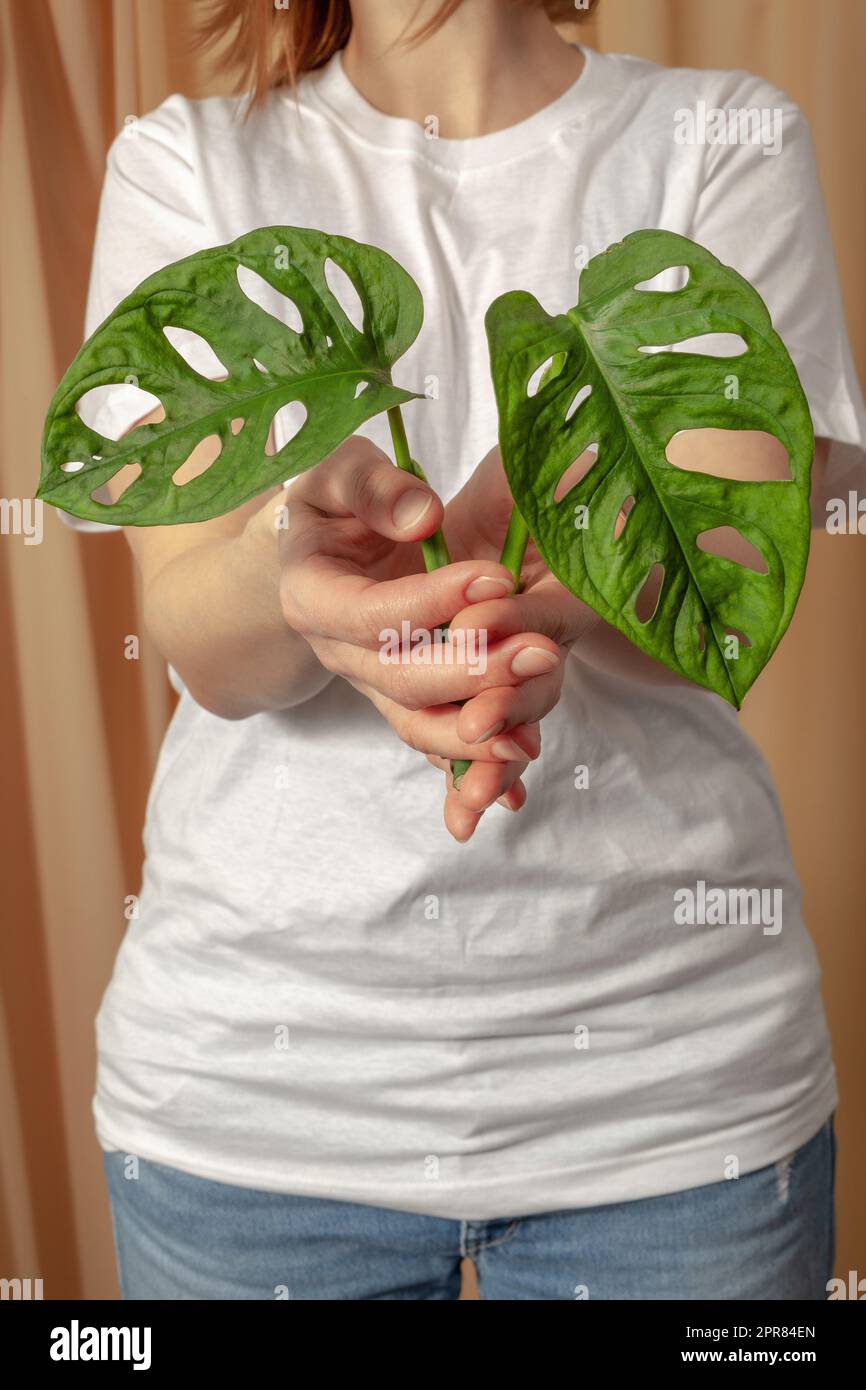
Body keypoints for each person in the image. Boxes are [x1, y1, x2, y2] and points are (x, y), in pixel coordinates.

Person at [64, 0, 865, 1299]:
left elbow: (706, 606)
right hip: (261, 1116)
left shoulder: (720, 138)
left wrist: (499, 601)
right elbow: (206, 646)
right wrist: (310, 587)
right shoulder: (192, 160)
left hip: (667, 1104)